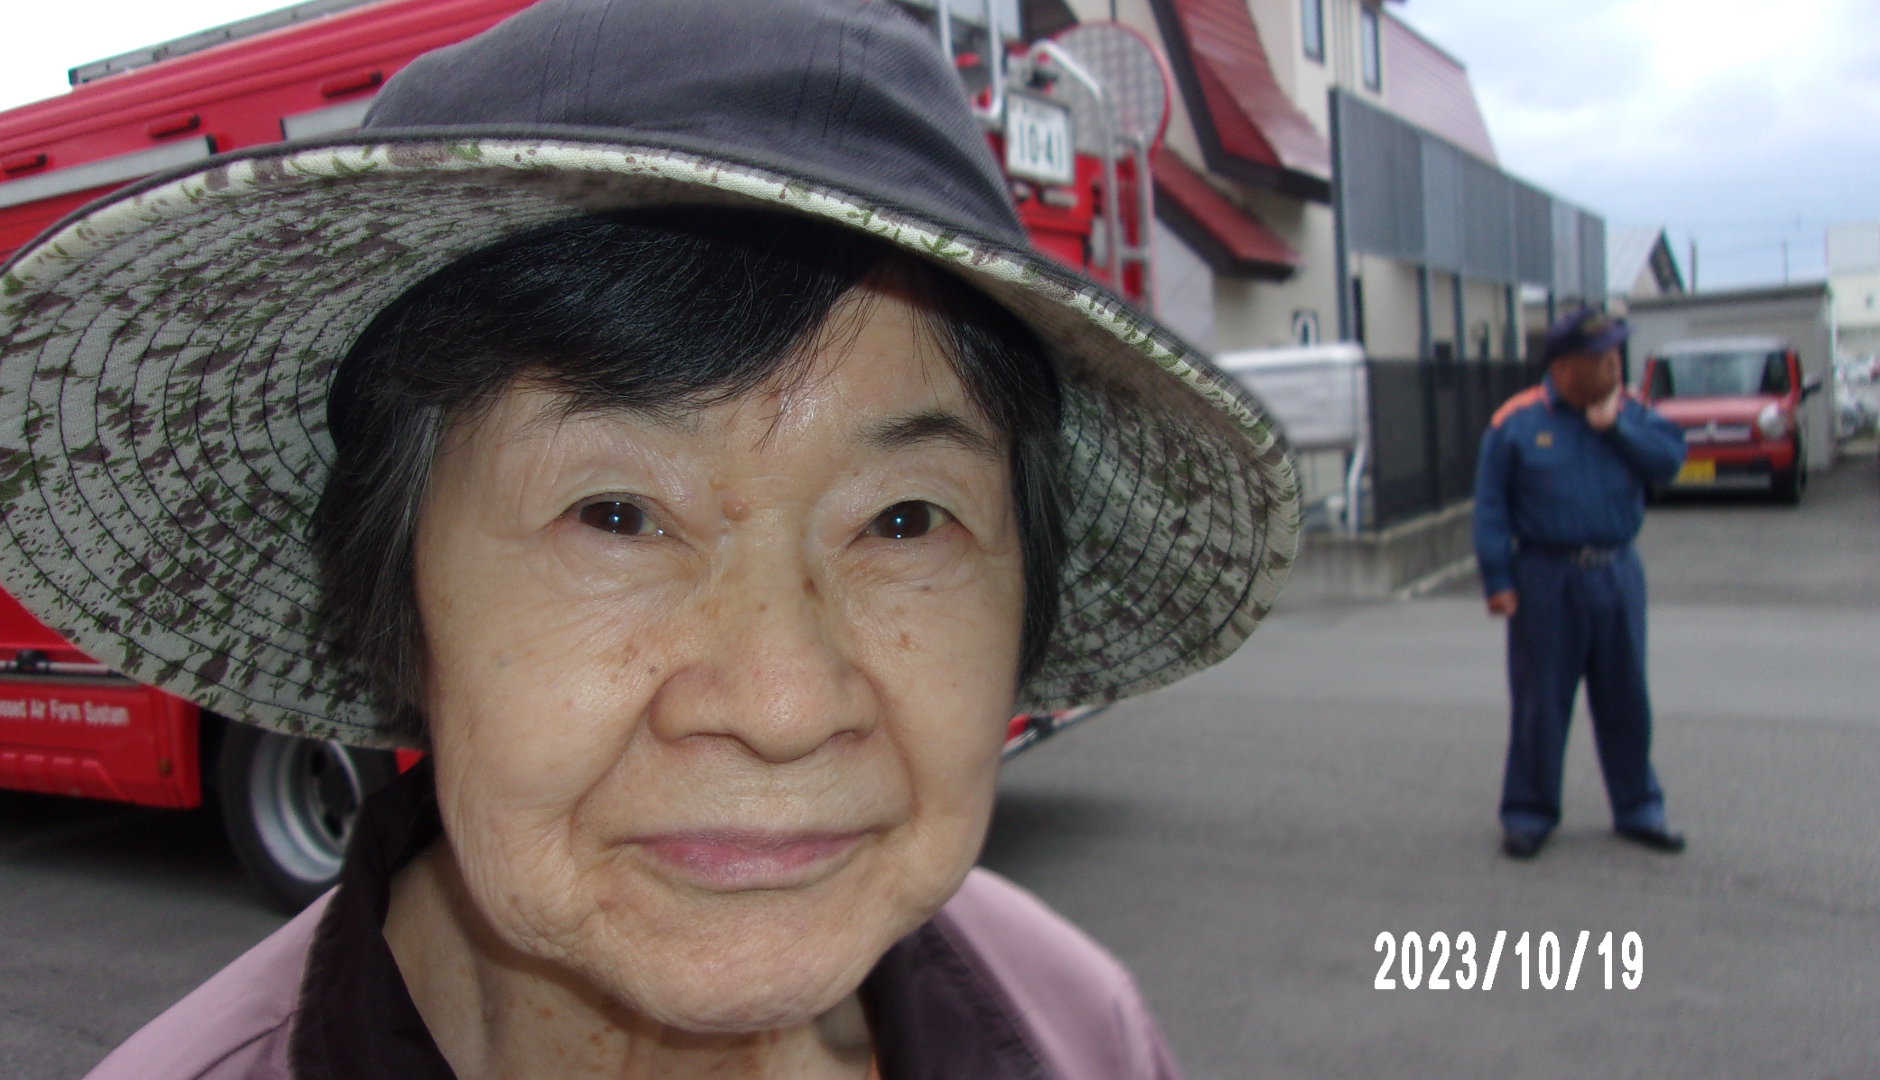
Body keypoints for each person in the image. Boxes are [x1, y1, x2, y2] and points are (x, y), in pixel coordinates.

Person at [0, 1, 1300, 1077]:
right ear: (398, 596)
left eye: (905, 519)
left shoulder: (1080, 1030)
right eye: (615, 514)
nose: (784, 705)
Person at [1472, 307, 1687, 861]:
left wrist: (1615, 428)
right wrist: (1497, 578)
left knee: (1626, 699)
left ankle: (1639, 807)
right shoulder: (1517, 421)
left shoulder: (1630, 411)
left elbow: (1669, 462)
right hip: (1546, 577)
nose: (1614, 365)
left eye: (1616, 354)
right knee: (1540, 702)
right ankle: (1529, 812)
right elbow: (1492, 506)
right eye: (1600, 357)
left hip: (1616, 572)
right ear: (1564, 366)